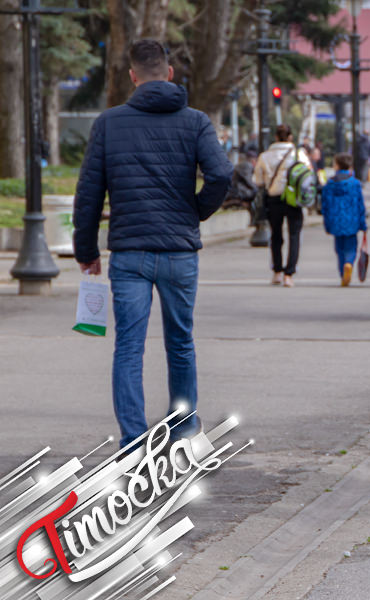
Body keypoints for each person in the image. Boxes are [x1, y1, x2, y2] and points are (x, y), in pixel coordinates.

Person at [72, 39, 232, 447]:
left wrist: (86, 251)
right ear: (170, 73)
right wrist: (195, 211)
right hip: (180, 252)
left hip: (129, 252)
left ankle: (132, 438)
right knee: (180, 342)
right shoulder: (195, 121)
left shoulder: (109, 123)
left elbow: (89, 192)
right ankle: (184, 427)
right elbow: (220, 176)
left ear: (132, 76)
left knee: (129, 347)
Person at [254, 123, 311, 287]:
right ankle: (289, 274)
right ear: (291, 137)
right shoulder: (299, 154)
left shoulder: (264, 156)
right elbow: (307, 173)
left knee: (276, 235)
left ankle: (277, 272)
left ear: (276, 137)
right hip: (294, 199)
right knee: (294, 235)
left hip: (274, 198)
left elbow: (258, 180)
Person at [320, 153, 368, 286]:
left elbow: (325, 205)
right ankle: (349, 263)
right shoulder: (355, 183)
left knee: (339, 248)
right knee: (351, 248)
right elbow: (360, 204)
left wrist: (327, 223)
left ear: (336, 165)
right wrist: (363, 223)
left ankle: (343, 272)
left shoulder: (330, 184)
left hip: (335, 220)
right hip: (352, 221)